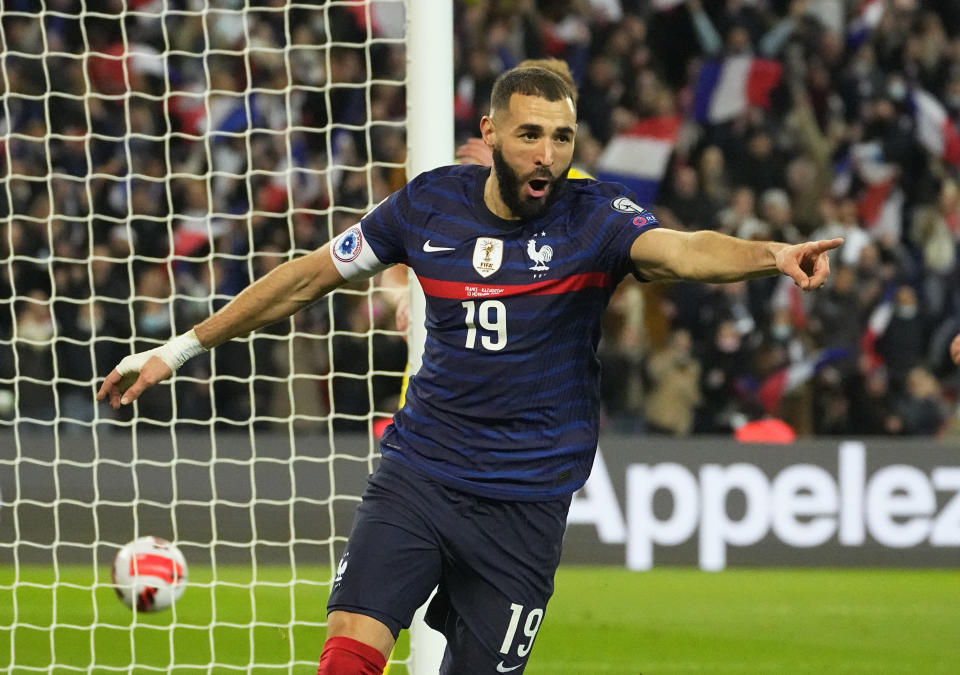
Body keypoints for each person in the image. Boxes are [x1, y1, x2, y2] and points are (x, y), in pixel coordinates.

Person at [97, 66, 841, 674]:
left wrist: (772, 256)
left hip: (526, 499)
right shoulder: (429, 205)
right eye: (528, 135)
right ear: (489, 134)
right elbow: (309, 276)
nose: (546, 154)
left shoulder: (596, 218)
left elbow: (683, 250)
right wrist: (175, 350)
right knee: (350, 647)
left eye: (560, 137)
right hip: (422, 469)